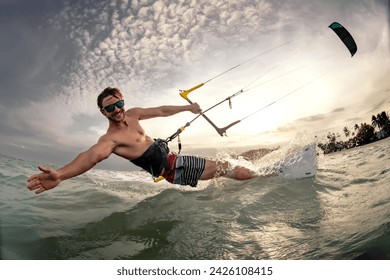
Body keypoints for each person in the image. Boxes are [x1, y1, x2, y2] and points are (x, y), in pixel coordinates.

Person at [27, 87, 270, 195]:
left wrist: (188, 107)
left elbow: (162, 110)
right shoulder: (110, 140)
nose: (117, 109)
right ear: (103, 112)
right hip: (174, 169)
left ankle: (259, 167)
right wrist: (60, 175)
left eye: (118, 103)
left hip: (175, 160)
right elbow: (90, 157)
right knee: (225, 168)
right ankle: (268, 178)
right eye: (110, 107)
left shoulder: (133, 113)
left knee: (222, 167)